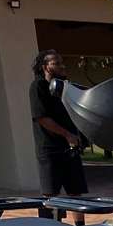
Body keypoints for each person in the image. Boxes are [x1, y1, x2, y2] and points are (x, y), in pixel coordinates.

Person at [29, 49, 87, 197]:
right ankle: (50, 221)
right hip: (50, 150)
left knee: (75, 192)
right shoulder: (38, 87)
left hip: (70, 149)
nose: (62, 66)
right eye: (56, 63)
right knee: (50, 194)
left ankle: (79, 222)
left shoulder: (65, 87)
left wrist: (78, 135)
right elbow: (42, 118)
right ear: (45, 67)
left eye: (62, 63)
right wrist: (67, 135)